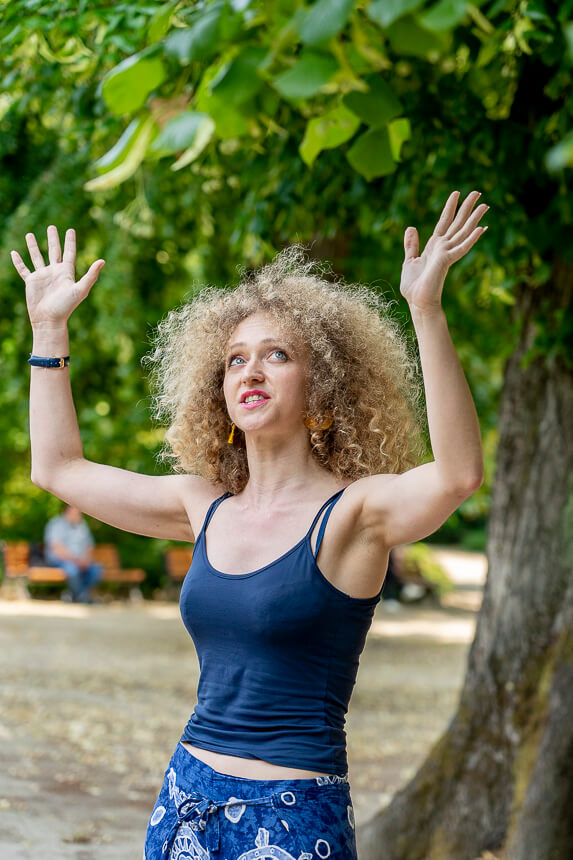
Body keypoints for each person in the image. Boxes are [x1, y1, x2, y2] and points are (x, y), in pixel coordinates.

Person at [10, 189, 486, 859]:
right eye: (235, 359)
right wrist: (49, 333)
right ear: (218, 391)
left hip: (291, 819)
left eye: (277, 355)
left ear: (320, 388)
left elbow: (458, 474)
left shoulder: (354, 515)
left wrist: (426, 311)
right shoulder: (202, 506)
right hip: (185, 802)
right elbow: (56, 469)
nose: (250, 371)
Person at [43, 503, 102, 603]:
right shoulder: (56, 524)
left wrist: (85, 560)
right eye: (76, 512)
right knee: (72, 571)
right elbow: (58, 549)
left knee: (95, 570)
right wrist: (76, 560)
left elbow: (89, 546)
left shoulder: (82, 525)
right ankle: (83, 597)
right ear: (67, 511)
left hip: (80, 561)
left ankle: (75, 595)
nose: (79, 514)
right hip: (60, 561)